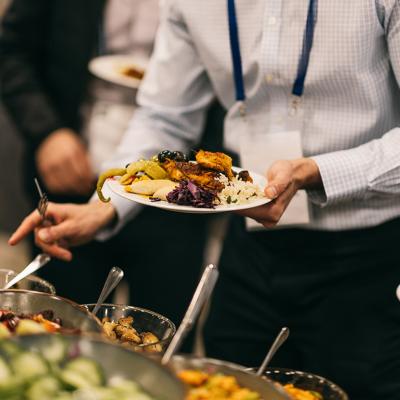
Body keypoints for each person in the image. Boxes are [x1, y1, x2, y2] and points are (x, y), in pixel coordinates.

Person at [8, 1, 400, 398]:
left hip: (370, 254)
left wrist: (315, 172)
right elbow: (165, 116)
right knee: (225, 386)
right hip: (249, 248)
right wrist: (104, 204)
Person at [0, 0, 223, 332]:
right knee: (62, 329)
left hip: (175, 192)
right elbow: (11, 50)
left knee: (160, 338)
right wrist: (47, 131)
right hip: (71, 179)